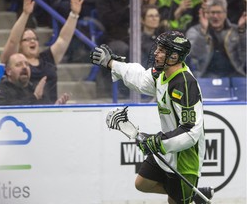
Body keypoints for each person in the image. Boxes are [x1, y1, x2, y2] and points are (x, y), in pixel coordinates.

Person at [90, 31, 214, 204]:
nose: (156, 52)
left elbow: (191, 130)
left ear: (174, 56)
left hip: (184, 159)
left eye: (162, 50)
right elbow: (140, 78)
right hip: (166, 148)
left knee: (174, 202)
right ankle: (188, 194)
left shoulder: (185, 84)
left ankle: (183, 195)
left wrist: (157, 142)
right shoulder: (161, 74)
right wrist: (111, 63)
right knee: (142, 183)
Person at [0, 0, 85, 104]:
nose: (32, 42)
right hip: (28, 108)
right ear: (20, 45)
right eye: (27, 39)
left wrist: (74, 14)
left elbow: (63, 39)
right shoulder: (17, 61)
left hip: (51, 110)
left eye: (35, 39)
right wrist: (25, 14)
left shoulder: (47, 58)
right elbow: (12, 41)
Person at [186, 0, 246, 78]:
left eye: (218, 12)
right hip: (206, 76)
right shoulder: (195, 31)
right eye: (212, 12)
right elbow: (194, 56)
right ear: (206, 14)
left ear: (225, 13)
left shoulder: (236, 30)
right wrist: (203, 32)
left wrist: (242, 32)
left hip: (235, 75)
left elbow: (244, 58)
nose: (215, 16)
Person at [0, 53, 69, 106]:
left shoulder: (35, 88)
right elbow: (12, 111)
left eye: (27, 64)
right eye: (18, 64)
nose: (24, 67)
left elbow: (44, 114)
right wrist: (35, 96)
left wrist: (55, 109)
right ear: (8, 71)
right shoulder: (0, 90)